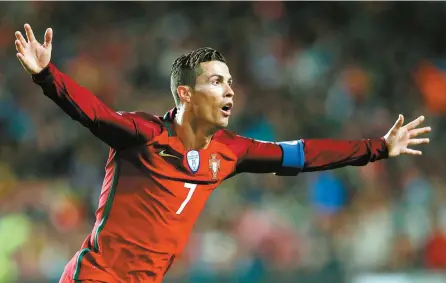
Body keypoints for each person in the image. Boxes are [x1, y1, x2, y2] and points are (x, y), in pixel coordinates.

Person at [14, 24, 431, 283]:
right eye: (216, 81)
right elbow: (94, 113)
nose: (229, 90)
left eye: (230, 82)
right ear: (185, 94)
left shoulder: (229, 153)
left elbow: (301, 154)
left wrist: (378, 148)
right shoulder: (143, 134)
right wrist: (47, 76)